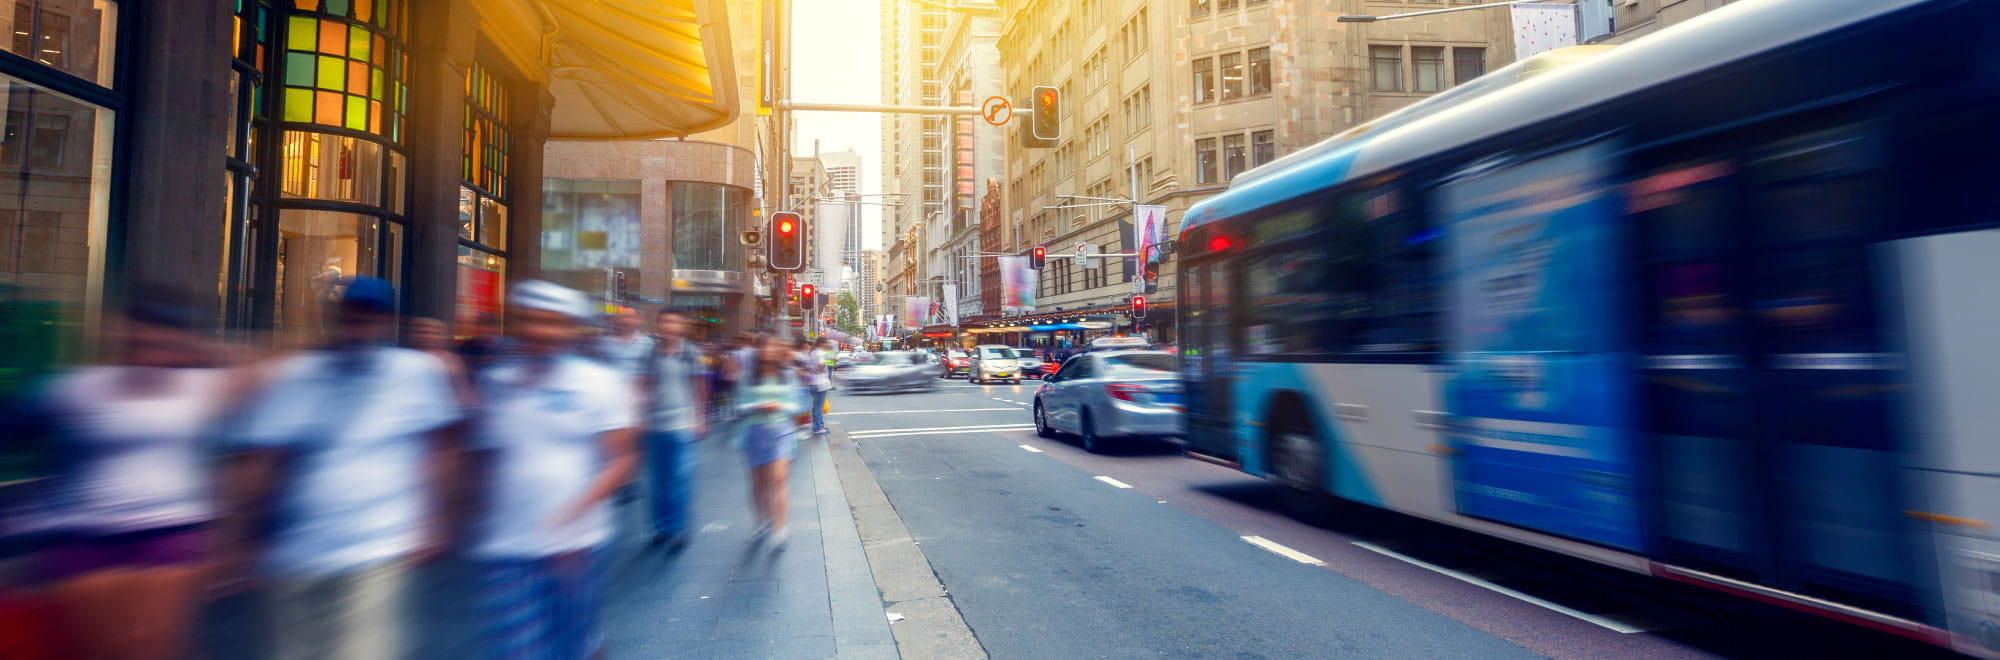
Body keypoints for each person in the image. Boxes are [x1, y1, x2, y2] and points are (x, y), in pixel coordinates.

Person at [219, 276, 463, 660]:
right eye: (353, 314)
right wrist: (235, 537)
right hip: (298, 552)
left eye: (371, 316)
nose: (360, 324)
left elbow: (438, 448)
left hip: (378, 547)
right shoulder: (297, 375)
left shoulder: (415, 372)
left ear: (387, 321)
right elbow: (262, 460)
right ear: (336, 317)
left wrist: (436, 520)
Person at [12, 295, 240, 660]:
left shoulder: (205, 388)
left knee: (151, 647)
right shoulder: (84, 388)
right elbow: (16, 424)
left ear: (179, 342)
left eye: (159, 340)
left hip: (169, 531)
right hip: (84, 533)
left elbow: (267, 376)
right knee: (97, 648)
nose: (146, 349)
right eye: (136, 339)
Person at [464, 280, 637, 660]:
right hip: (506, 547)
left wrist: (573, 517)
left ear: (569, 328)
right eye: (531, 321)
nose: (541, 331)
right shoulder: (496, 383)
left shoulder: (599, 383)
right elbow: (484, 460)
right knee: (519, 649)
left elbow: (622, 458)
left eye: (552, 322)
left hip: (576, 546)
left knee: (576, 646)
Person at [638, 310, 706, 550]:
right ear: (659, 325)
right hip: (655, 425)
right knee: (658, 481)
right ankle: (661, 527)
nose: (669, 326)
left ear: (681, 326)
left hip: (682, 425)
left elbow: (699, 386)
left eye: (674, 322)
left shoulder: (690, 353)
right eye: (665, 322)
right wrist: (641, 415)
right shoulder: (650, 353)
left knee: (679, 478)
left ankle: (678, 528)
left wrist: (700, 418)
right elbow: (642, 385)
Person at [736, 334, 803, 548]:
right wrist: (758, 406)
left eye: (772, 346)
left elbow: (795, 404)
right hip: (754, 432)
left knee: (778, 478)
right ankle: (761, 519)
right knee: (758, 482)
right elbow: (740, 405)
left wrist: (779, 406)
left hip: (781, 430)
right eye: (764, 347)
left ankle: (780, 527)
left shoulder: (787, 375)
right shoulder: (748, 376)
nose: (768, 350)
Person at [595, 307, 654, 377]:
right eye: (622, 317)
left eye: (629, 317)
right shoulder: (605, 342)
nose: (625, 320)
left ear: (637, 319)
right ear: (616, 319)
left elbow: (651, 371)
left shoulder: (648, 344)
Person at [803, 338, 835, 435]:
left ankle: (819, 425)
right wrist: (821, 367)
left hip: (813, 381)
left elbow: (808, 365)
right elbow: (821, 363)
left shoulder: (812, 352)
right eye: (826, 343)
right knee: (818, 407)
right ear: (822, 343)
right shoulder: (820, 352)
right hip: (820, 382)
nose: (827, 345)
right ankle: (818, 427)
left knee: (816, 406)